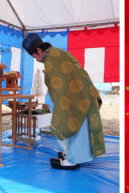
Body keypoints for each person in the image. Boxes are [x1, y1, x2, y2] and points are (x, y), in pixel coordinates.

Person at [22, 33, 105, 170]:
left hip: (79, 98)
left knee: (75, 125)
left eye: (35, 57)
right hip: (82, 94)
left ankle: (72, 160)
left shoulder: (51, 59)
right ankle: (71, 154)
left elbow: (60, 87)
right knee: (78, 126)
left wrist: (61, 105)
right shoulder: (56, 53)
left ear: (39, 51)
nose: (36, 60)